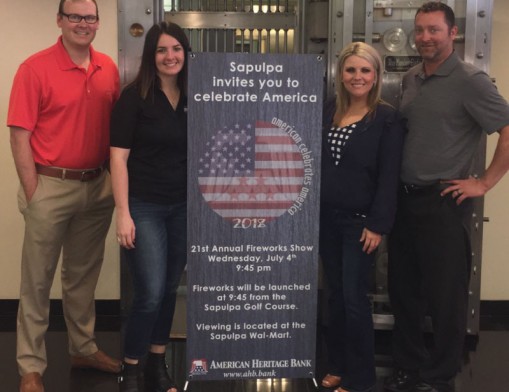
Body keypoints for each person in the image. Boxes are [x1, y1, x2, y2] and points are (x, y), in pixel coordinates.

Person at [384, 3, 509, 392]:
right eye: (420, 30)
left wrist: (485, 182)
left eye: (434, 30)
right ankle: (408, 365)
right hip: (404, 202)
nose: (425, 37)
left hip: (443, 203)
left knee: (446, 297)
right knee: (404, 291)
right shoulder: (411, 79)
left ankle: (439, 376)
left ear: (452, 33)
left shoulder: (472, 81)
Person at [7, 1, 122, 391]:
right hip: (49, 185)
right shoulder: (33, 68)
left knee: (83, 277)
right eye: (74, 16)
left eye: (90, 17)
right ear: (59, 20)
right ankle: (30, 367)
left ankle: (83, 348)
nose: (82, 24)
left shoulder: (108, 68)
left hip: (97, 185)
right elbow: (19, 135)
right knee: (36, 281)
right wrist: (33, 191)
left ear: (97, 23)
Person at [319, 42, 405, 392]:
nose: (357, 77)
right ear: (340, 74)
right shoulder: (329, 111)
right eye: (351, 70)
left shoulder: (387, 118)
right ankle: (337, 365)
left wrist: (377, 224)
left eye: (365, 70)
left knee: (355, 301)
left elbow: (389, 177)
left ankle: (361, 380)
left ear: (376, 76)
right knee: (335, 297)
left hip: (360, 224)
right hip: (327, 220)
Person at [110, 21, 190, 392]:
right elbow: (118, 159)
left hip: (183, 207)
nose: (170, 56)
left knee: (171, 287)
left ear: (186, 53)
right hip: (144, 206)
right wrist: (123, 213)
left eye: (176, 49)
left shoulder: (197, 95)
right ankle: (132, 368)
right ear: (151, 56)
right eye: (162, 50)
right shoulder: (134, 97)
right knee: (150, 292)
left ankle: (158, 366)